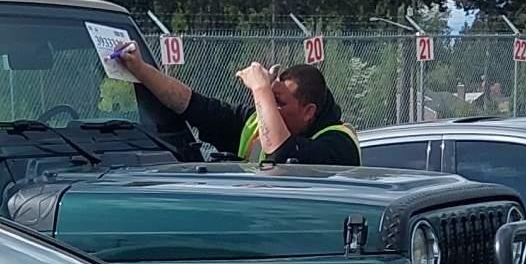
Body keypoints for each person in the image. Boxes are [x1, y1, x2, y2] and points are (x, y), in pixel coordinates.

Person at [108, 43, 361, 165]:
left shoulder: (338, 144)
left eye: (279, 102)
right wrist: (140, 69)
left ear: (308, 112)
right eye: (269, 100)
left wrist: (261, 89)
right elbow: (191, 104)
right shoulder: (254, 123)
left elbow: (281, 153)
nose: (269, 108)